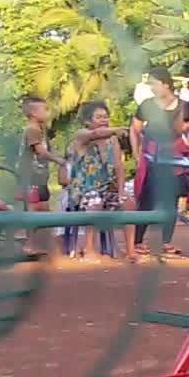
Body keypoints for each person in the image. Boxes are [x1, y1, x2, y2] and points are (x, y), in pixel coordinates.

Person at [130, 66, 189, 257]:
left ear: (166, 84)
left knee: (171, 200)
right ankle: (138, 241)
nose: (152, 88)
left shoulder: (183, 105)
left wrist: (187, 142)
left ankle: (165, 242)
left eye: (154, 85)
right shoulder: (147, 104)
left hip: (174, 157)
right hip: (151, 156)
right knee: (146, 198)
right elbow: (134, 128)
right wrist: (136, 152)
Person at [67, 101, 132, 262]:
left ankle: (131, 251)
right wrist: (116, 130)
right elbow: (94, 135)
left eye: (105, 116)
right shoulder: (81, 134)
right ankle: (89, 249)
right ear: (88, 121)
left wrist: (122, 190)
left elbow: (118, 166)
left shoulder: (112, 140)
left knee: (129, 202)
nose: (104, 120)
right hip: (83, 188)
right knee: (95, 201)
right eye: (99, 117)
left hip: (107, 188)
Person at [18, 96, 67, 255]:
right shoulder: (32, 130)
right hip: (31, 175)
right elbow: (40, 151)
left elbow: (48, 151)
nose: (47, 113)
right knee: (34, 208)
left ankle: (41, 242)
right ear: (33, 113)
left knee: (43, 207)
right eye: (43, 110)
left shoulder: (40, 130)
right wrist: (57, 160)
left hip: (40, 176)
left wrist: (61, 156)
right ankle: (30, 244)